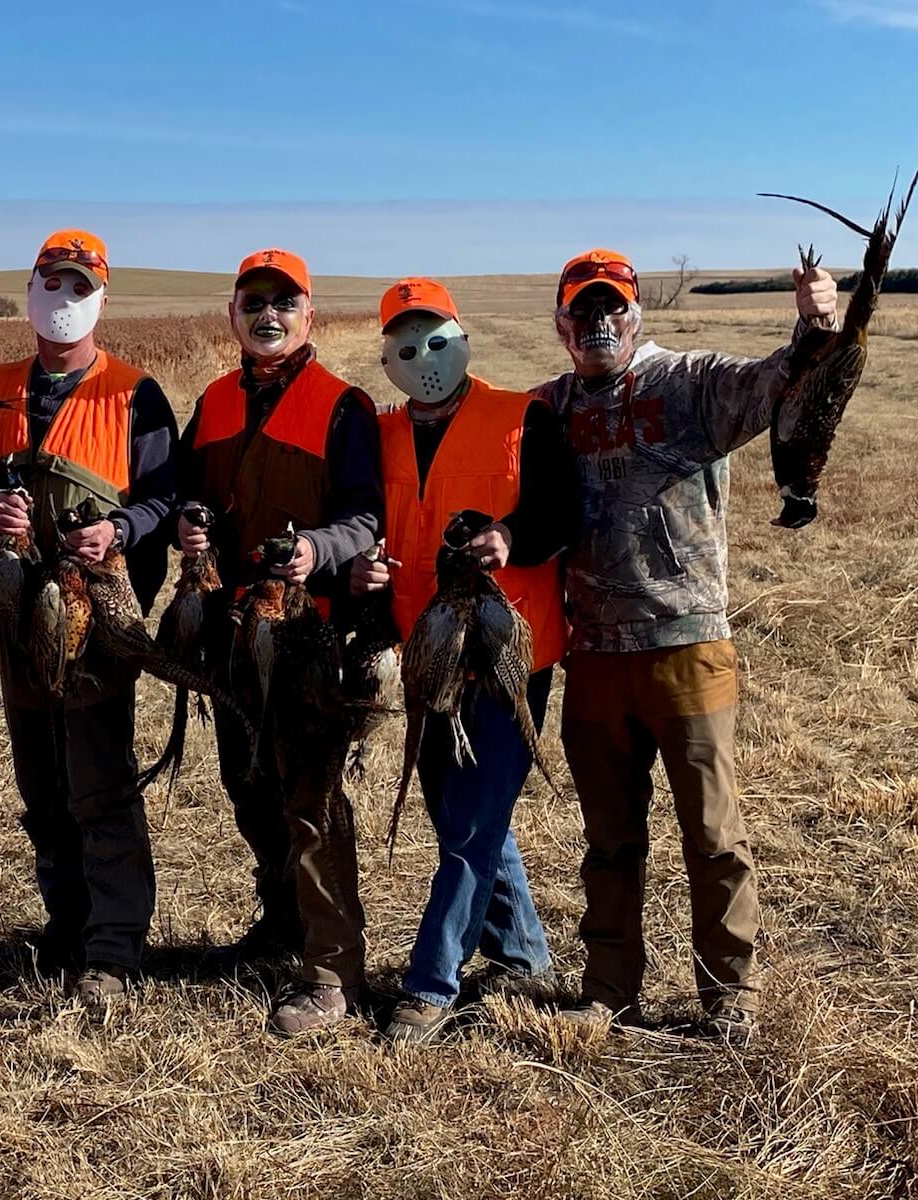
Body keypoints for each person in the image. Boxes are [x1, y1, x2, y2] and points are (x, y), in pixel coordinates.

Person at [533, 248, 839, 1043]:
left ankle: (729, 995)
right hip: (592, 654)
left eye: (613, 307)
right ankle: (607, 989)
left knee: (712, 833)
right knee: (609, 839)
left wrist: (817, 326)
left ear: (636, 313)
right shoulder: (546, 409)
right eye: (584, 309)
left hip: (687, 643)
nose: (599, 322)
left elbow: (785, 386)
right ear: (562, 322)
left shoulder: (691, 383)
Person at [352, 278, 577, 1044]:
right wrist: (368, 571)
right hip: (427, 654)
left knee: (473, 820)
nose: (425, 359)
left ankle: (429, 984)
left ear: (461, 332)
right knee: (463, 814)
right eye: (406, 345)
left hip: (509, 649)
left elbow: (563, 511)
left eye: (436, 338)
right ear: (387, 357)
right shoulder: (376, 433)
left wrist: (512, 538)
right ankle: (522, 956)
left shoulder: (524, 416)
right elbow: (365, 526)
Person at [177, 248, 382, 1034]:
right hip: (233, 626)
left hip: (308, 631)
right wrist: (191, 520)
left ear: (309, 314)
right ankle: (282, 920)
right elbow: (190, 495)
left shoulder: (342, 405)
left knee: (312, 799)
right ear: (234, 313)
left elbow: (368, 516)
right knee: (248, 782)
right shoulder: (216, 399)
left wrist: (317, 552)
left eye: (285, 301)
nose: (270, 313)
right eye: (254, 300)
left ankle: (334, 971)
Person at [0, 229, 178, 1007]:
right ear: (30, 291)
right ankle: (66, 926)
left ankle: (115, 949)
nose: (62, 300)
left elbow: (166, 498)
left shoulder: (136, 392)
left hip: (96, 618)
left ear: (102, 299)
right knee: (40, 780)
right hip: (17, 614)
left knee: (98, 779)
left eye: (78, 286)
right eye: (50, 283)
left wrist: (119, 530)